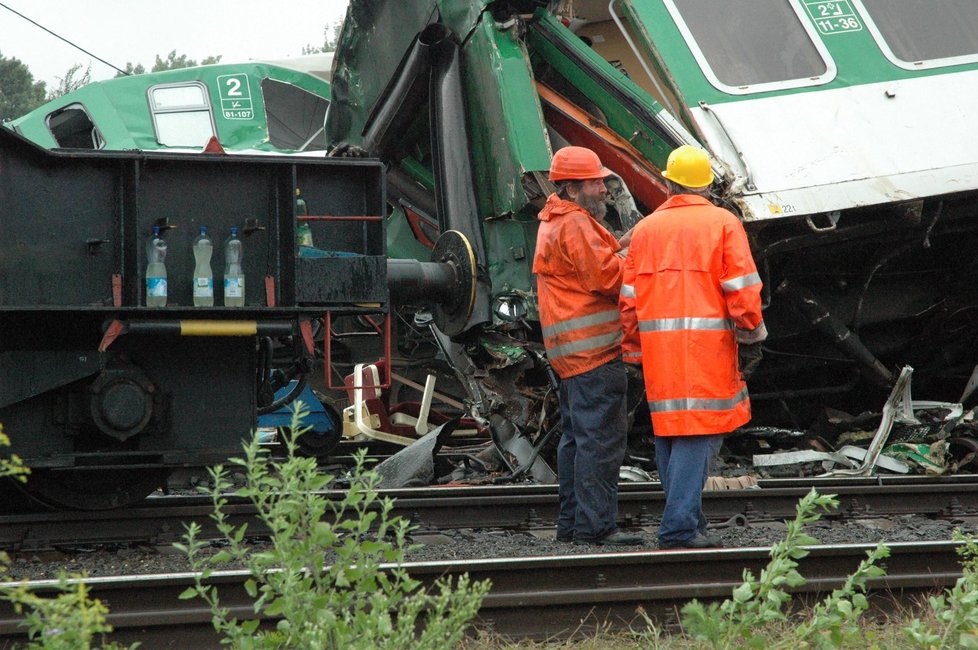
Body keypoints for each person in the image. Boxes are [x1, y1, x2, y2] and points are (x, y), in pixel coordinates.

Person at [619, 144, 767, 549]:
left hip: (658, 352)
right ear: (706, 185)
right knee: (699, 433)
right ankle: (680, 528)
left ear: (667, 183)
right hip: (707, 350)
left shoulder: (645, 230)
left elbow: (628, 299)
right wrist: (751, 330)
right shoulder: (722, 222)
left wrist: (633, 351)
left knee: (670, 432)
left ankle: (687, 521)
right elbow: (741, 285)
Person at [533, 146, 642, 546]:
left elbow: (591, 264)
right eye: (595, 182)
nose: (603, 188)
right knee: (601, 442)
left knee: (577, 441)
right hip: (595, 353)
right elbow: (608, 280)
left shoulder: (556, 220)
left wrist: (620, 244)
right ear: (574, 189)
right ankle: (596, 528)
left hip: (571, 355)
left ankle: (573, 526)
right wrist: (638, 253)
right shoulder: (576, 224)